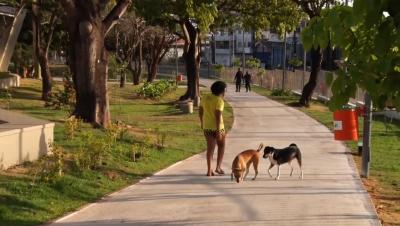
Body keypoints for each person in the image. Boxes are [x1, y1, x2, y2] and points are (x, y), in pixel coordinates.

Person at [199, 81, 227, 176]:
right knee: (221, 146)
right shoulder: (219, 101)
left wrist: (202, 122)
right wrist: (219, 130)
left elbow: (200, 110)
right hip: (218, 128)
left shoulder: (205, 97)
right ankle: (218, 167)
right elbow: (218, 116)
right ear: (222, 91)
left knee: (210, 148)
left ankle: (209, 170)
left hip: (207, 127)